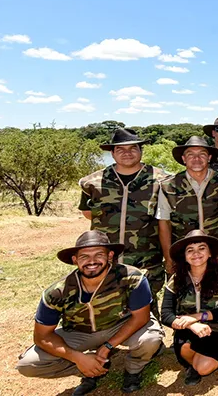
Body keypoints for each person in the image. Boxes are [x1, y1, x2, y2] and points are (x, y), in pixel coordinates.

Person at [16, 231, 164, 395]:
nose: (92, 261)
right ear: (75, 260)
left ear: (110, 256)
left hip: (121, 325)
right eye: (84, 256)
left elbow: (140, 318)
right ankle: (91, 369)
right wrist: (78, 358)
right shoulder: (57, 292)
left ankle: (133, 371)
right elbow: (42, 337)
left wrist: (108, 346)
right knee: (28, 364)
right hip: (80, 332)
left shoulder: (132, 278)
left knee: (151, 338)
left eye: (99, 254)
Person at [78, 128, 168, 314]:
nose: (127, 153)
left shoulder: (162, 180)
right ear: (112, 153)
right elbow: (87, 212)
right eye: (120, 149)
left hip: (147, 260)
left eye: (132, 148)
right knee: (106, 309)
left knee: (146, 307)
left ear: (141, 150)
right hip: (105, 260)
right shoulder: (93, 182)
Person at [161, 230, 218, 386]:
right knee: (185, 352)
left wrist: (197, 317)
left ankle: (211, 353)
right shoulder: (176, 280)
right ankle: (195, 363)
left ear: (210, 253)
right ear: (184, 256)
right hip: (188, 328)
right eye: (190, 250)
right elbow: (166, 314)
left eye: (202, 248)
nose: (196, 253)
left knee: (203, 368)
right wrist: (191, 324)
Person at [157, 136, 218, 273]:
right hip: (183, 254)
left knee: (216, 290)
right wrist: (168, 257)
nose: (196, 159)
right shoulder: (169, 185)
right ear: (184, 159)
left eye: (202, 154)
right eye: (191, 155)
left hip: (215, 252)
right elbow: (164, 222)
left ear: (209, 158)